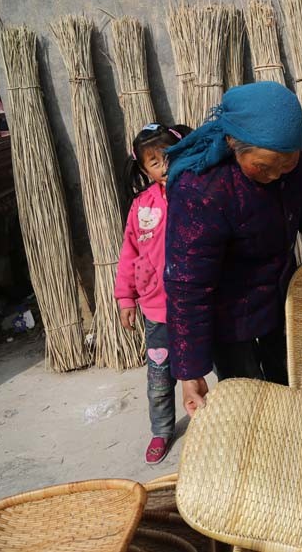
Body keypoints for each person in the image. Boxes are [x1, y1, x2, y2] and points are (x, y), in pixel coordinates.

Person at [164, 82, 302, 418]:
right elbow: (188, 285)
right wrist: (190, 372)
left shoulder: (296, 141)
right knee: (250, 402)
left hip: (280, 292)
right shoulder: (203, 189)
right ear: (232, 143)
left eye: (286, 164)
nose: (276, 174)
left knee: (292, 384)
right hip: (230, 315)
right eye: (263, 167)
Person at [114, 122, 192, 465]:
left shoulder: (196, 192)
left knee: (219, 366)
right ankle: (161, 429)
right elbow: (129, 253)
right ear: (144, 169)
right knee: (160, 376)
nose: (164, 167)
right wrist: (126, 298)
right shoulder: (141, 206)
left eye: (168, 157)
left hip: (199, 304)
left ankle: (226, 420)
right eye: (155, 162)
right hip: (157, 309)